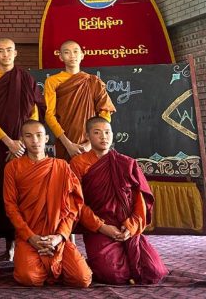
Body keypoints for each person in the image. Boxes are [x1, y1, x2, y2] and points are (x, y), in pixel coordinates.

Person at [70, 117, 168, 285]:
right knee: (114, 274)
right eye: (97, 132)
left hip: (126, 225)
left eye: (107, 132)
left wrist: (131, 226)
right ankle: (96, 262)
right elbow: (76, 202)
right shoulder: (78, 164)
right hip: (98, 227)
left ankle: (105, 260)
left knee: (154, 271)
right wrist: (101, 227)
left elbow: (139, 199)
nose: (104, 137)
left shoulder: (126, 163)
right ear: (87, 136)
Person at [3, 120, 92, 288]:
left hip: (57, 235)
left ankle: (49, 264)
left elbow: (74, 207)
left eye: (39, 135)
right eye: (29, 136)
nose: (34, 140)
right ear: (22, 140)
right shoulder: (12, 168)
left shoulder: (61, 167)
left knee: (82, 278)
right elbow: (10, 206)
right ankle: (39, 263)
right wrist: (31, 237)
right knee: (29, 278)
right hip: (28, 235)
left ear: (46, 139)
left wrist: (60, 236)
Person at [0, 37, 43, 258]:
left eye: (9, 50)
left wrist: (25, 140)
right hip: (1, 144)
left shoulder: (25, 78)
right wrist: (9, 142)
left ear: (15, 53)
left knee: (28, 189)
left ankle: (31, 238)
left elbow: (33, 111)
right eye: (0, 51)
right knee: (5, 189)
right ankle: (10, 244)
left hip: (26, 144)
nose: (5, 54)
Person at [44, 40, 116, 160]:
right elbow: (49, 114)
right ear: (61, 57)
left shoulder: (93, 81)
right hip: (64, 140)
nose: (72, 55)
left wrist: (89, 143)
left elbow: (105, 111)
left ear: (82, 55)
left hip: (91, 141)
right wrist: (67, 144)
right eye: (67, 52)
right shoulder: (52, 81)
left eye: (75, 51)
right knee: (66, 170)